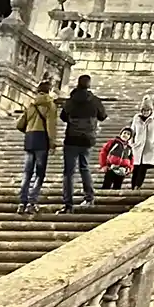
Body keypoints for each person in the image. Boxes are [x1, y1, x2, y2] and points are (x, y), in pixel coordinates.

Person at [59, 74, 107, 212]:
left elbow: (63, 117)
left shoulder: (70, 101)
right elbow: (102, 116)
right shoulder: (94, 101)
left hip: (71, 139)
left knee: (68, 172)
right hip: (87, 139)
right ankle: (89, 198)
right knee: (84, 168)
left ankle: (68, 204)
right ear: (89, 85)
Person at [16, 78, 59, 215]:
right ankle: (32, 202)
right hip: (42, 140)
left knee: (27, 173)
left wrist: (29, 130)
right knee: (39, 173)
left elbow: (19, 124)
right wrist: (52, 143)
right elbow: (50, 126)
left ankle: (22, 203)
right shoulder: (50, 105)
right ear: (49, 91)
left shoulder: (31, 104)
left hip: (29, 139)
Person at [129, 94, 154, 189]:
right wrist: (131, 143)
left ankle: (137, 186)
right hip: (137, 147)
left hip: (149, 148)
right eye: (144, 110)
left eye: (147, 110)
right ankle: (133, 187)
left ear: (151, 110)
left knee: (143, 168)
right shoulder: (136, 118)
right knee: (136, 168)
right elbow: (132, 131)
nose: (145, 112)